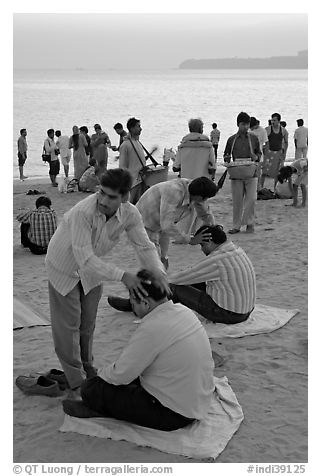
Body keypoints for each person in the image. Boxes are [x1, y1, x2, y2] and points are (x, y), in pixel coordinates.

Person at [45, 168, 169, 397]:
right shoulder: (84, 211)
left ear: (124, 198)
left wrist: (158, 271)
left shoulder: (130, 213)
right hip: (63, 267)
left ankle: (87, 367)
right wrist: (123, 276)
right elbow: (84, 257)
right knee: (68, 327)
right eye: (101, 192)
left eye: (111, 197)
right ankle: (76, 381)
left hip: (92, 271)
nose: (102, 200)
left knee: (88, 324)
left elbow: (143, 246)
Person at [64, 269, 215, 429]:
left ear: (145, 303)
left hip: (173, 413)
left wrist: (100, 376)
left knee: (91, 388)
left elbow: (120, 374)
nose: (132, 307)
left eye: (133, 302)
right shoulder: (183, 311)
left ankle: (102, 409)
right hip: (198, 402)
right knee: (125, 377)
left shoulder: (153, 327)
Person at [169, 225, 256, 323]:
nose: (202, 250)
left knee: (173, 287)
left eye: (202, 245)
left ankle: (167, 316)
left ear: (209, 242)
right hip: (246, 311)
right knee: (194, 281)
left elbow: (180, 278)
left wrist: (157, 278)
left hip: (229, 315)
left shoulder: (217, 259)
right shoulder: (237, 250)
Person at [135, 177, 217, 269]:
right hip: (144, 222)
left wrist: (213, 228)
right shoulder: (174, 191)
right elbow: (167, 225)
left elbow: (206, 213)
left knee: (163, 259)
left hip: (161, 224)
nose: (205, 201)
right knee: (154, 263)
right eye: (205, 198)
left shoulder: (195, 189)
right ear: (199, 196)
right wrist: (190, 240)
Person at [223, 111, 261, 234]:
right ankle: (236, 226)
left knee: (252, 199)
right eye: (243, 124)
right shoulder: (231, 139)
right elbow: (226, 154)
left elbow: (259, 154)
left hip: (251, 171)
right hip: (237, 172)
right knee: (237, 201)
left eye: (247, 124)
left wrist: (255, 156)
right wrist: (227, 159)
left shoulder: (254, 138)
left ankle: (249, 223)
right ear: (238, 124)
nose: (245, 127)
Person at [119, 117, 147, 205]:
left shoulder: (138, 143)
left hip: (141, 181)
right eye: (138, 126)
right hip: (132, 183)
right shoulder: (125, 145)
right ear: (131, 128)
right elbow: (122, 167)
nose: (140, 128)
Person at [260, 113, 288, 190]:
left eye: (274, 120)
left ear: (279, 121)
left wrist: (284, 153)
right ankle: (261, 188)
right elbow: (263, 141)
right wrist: (264, 152)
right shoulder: (268, 129)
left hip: (278, 153)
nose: (273, 122)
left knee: (278, 173)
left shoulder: (283, 130)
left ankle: (275, 188)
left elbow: (286, 142)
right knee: (264, 172)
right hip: (269, 153)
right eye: (272, 120)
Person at [249, 117, 268, 191]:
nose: (252, 129)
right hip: (248, 155)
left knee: (257, 174)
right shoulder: (248, 129)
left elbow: (266, 143)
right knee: (249, 174)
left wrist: (266, 156)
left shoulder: (262, 131)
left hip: (259, 155)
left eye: (253, 127)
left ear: (256, 124)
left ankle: (258, 189)